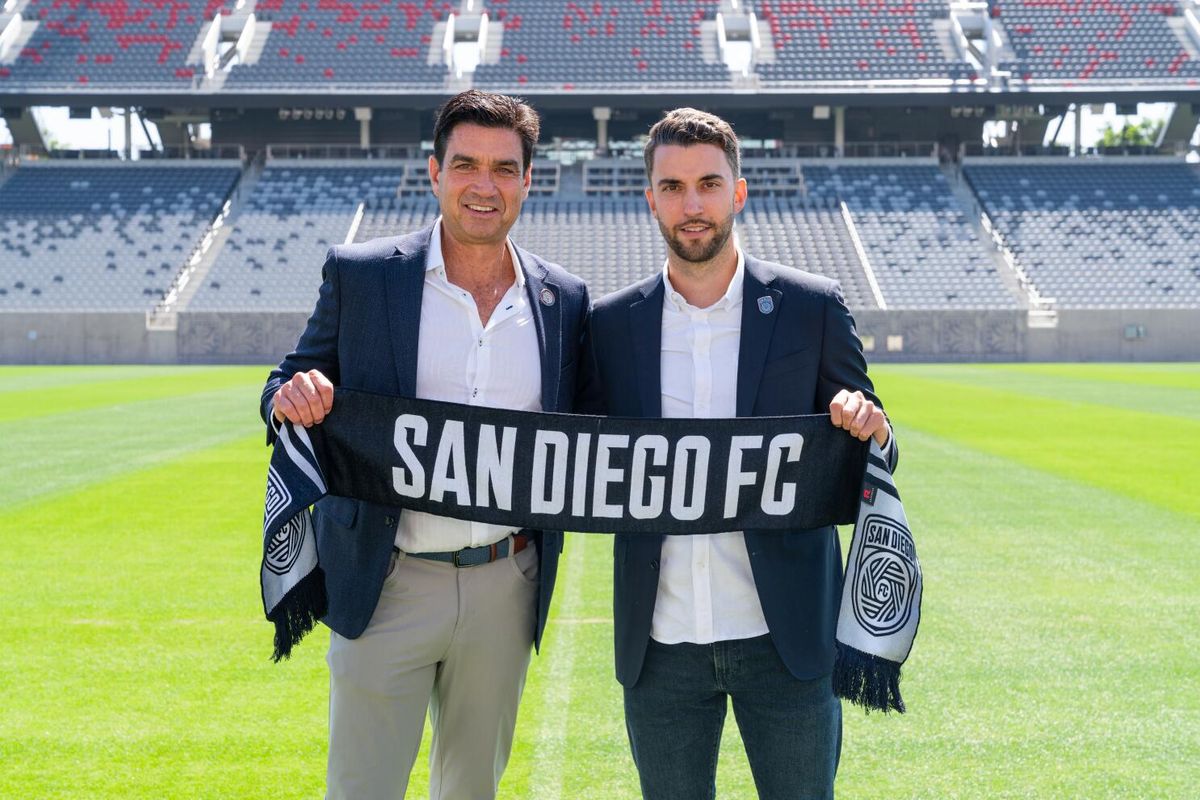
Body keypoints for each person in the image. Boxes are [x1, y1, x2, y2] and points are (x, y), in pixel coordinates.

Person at [260, 90, 589, 800]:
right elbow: (288, 378)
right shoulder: (363, 274)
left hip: (509, 579)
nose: (484, 185)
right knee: (363, 788)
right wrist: (289, 397)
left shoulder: (565, 298)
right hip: (388, 578)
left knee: (472, 790)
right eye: (466, 164)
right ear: (434, 171)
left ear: (528, 182)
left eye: (505, 169)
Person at [576, 108, 898, 800]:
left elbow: (876, 444)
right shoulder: (608, 325)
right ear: (650, 198)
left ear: (738, 192)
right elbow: (571, 458)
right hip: (659, 644)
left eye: (708, 184)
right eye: (672, 187)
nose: (692, 205)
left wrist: (865, 422)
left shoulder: (811, 308)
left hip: (785, 639)